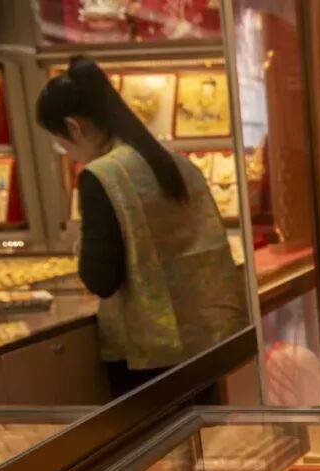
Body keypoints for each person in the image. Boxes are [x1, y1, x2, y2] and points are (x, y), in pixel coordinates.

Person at [36, 56, 248, 396]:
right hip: (203, 344)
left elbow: (101, 279)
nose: (69, 154)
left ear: (74, 127)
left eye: (63, 144)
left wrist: (83, 244)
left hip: (148, 357)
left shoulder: (101, 176)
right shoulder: (174, 162)